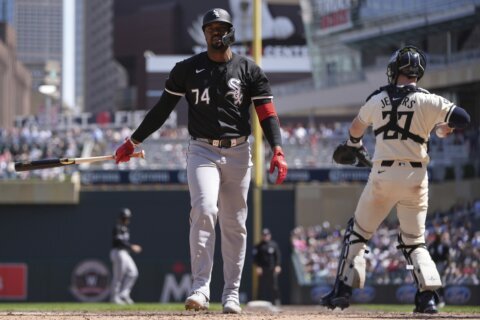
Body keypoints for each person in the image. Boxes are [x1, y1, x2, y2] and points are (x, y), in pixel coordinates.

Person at [114, 8, 288, 314]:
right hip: (202, 150)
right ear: (204, 34)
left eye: (221, 28)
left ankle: (231, 293)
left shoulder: (249, 70)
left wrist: (277, 148)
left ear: (231, 32)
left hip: (239, 152)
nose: (216, 33)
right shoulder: (187, 69)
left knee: (235, 224)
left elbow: (267, 114)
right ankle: (200, 288)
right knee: (205, 209)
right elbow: (162, 109)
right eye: (211, 29)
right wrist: (134, 141)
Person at [321, 46, 470, 314]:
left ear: (394, 70)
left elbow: (355, 126)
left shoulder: (378, 98)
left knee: (359, 232)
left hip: (383, 175)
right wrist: (445, 127)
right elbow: (463, 118)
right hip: (416, 178)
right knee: (414, 240)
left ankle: (342, 291)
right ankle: (428, 298)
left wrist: (354, 144)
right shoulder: (429, 100)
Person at [110, 208, 142, 304]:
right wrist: (132, 247)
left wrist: (130, 248)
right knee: (118, 276)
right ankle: (114, 297)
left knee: (133, 273)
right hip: (118, 252)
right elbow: (118, 241)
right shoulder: (117, 227)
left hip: (125, 253)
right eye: (125, 218)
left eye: (127, 218)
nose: (126, 219)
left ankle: (124, 294)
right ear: (121, 218)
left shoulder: (125, 228)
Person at [253, 228, 282, 305]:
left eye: (266, 235)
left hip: (272, 269)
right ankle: (259, 301)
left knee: (274, 286)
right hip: (262, 269)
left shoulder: (273, 245)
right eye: (264, 235)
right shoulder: (258, 246)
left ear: (270, 235)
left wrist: (278, 266)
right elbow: (255, 258)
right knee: (261, 286)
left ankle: (276, 301)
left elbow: (277, 256)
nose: (265, 236)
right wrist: (258, 267)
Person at [428, 232, 450, 307]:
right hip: (434, 264)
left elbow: (448, 258)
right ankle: (435, 300)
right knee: (434, 282)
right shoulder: (433, 245)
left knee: (441, 283)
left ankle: (442, 299)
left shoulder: (444, 245)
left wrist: (447, 267)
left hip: (442, 264)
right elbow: (429, 254)